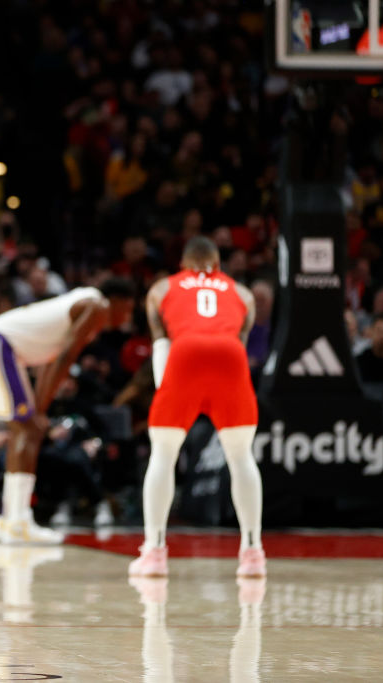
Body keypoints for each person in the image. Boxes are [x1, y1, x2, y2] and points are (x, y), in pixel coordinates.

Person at [128, 236, 266, 579]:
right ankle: (252, 553)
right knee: (241, 455)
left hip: (184, 354)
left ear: (183, 265)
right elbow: (239, 346)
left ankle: (155, 552)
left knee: (163, 454)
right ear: (218, 265)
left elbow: (161, 343)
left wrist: (168, 392)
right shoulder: (242, 293)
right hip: (230, 356)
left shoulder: (162, 288)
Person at [0, 278, 135, 545]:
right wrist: (40, 409)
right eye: (128, 309)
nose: (127, 318)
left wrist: (39, 408)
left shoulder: (82, 303)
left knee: (26, 429)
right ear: (116, 300)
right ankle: (16, 522)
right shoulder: (97, 306)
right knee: (27, 429)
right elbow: (67, 356)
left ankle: (10, 520)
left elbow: (50, 360)